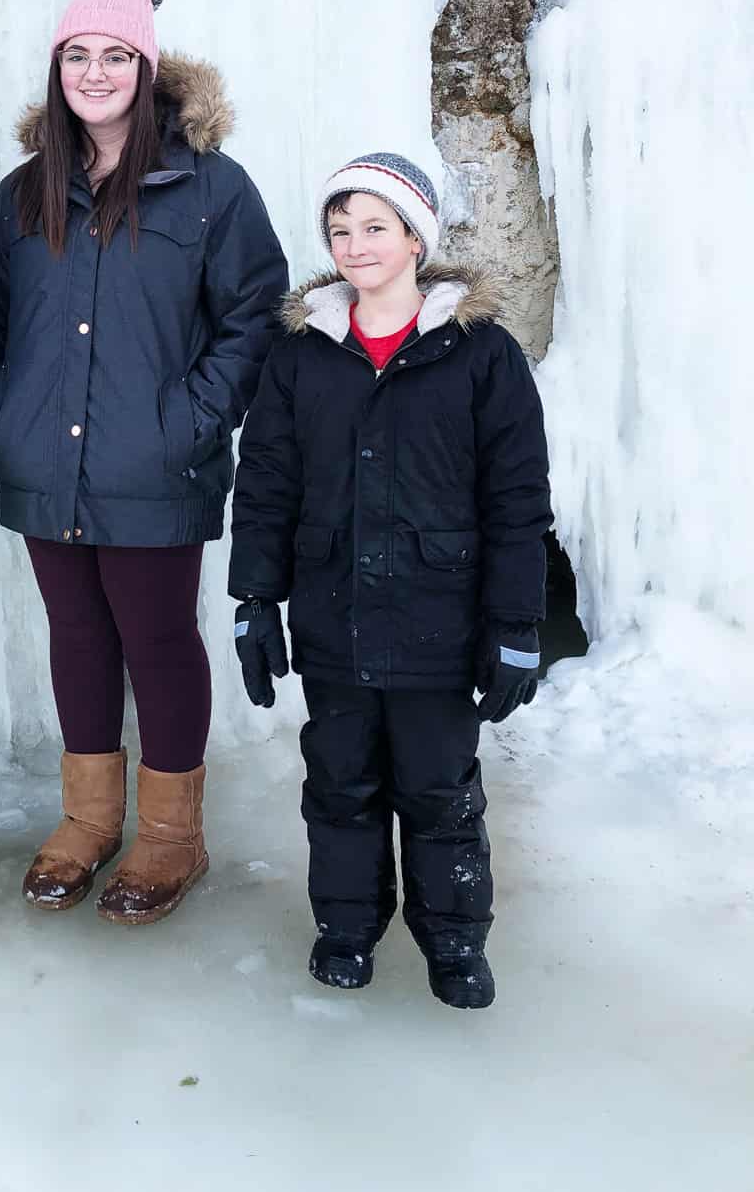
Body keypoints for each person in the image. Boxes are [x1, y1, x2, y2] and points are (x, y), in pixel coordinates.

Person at [0, 0, 287, 925]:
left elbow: (253, 317)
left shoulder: (210, 189)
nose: (95, 71)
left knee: (156, 641)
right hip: (44, 462)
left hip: (157, 463)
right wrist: (2, 413)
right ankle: (90, 818)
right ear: (57, 68)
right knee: (78, 638)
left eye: (116, 55)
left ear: (147, 70)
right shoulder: (27, 193)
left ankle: (170, 834)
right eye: (79, 55)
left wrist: (190, 421)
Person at [229, 152, 551, 1008]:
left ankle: (453, 939)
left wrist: (518, 623)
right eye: (341, 229)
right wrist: (254, 600)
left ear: (416, 238)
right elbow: (264, 480)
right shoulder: (303, 355)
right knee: (339, 783)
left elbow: (517, 498)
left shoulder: (482, 356)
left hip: (438, 624)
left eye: (376, 226)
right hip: (333, 617)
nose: (356, 244)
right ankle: (346, 928)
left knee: (440, 790)